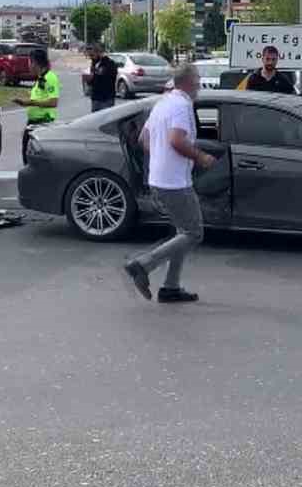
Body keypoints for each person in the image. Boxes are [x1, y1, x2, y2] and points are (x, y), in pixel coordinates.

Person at [122, 65, 214, 304]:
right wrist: (201, 157)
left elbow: (144, 140)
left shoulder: (162, 103)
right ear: (188, 83)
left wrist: (162, 158)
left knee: (182, 231)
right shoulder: (182, 105)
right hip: (175, 183)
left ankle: (170, 287)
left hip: (159, 179)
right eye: (198, 81)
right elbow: (176, 140)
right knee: (194, 233)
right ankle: (145, 264)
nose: (199, 86)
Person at [15, 47, 61, 161]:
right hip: (34, 122)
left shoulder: (50, 78)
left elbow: (53, 102)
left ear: (35, 63)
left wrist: (30, 102)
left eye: (30, 62)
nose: (29, 66)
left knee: (34, 157)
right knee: (27, 153)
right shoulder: (40, 78)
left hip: (43, 122)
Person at [82, 44, 119, 113]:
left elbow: (109, 77)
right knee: (95, 120)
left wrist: (97, 74)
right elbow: (93, 80)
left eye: (92, 55)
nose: (91, 57)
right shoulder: (94, 64)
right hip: (96, 98)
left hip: (106, 98)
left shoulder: (110, 63)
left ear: (99, 53)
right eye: (89, 56)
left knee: (106, 120)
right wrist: (88, 80)